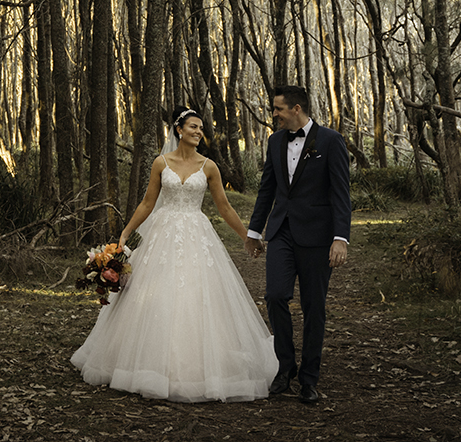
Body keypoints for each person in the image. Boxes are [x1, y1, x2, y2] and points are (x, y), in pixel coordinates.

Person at [71, 107, 276, 402]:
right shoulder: (161, 162)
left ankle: (198, 367)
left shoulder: (209, 166)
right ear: (179, 130)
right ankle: (144, 364)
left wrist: (248, 237)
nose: (198, 132)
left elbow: (225, 207)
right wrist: (126, 233)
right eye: (193, 126)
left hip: (196, 235)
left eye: (201, 128)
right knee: (156, 294)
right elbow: (147, 203)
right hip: (162, 234)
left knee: (196, 296)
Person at [245, 84, 351, 405]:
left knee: (313, 307)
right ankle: (285, 366)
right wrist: (254, 230)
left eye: (278, 108)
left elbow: (340, 193)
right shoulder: (274, 141)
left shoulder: (330, 141)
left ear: (296, 108)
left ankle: (309, 378)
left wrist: (340, 238)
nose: (274, 114)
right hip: (281, 231)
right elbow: (267, 188)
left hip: (318, 236)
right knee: (275, 295)